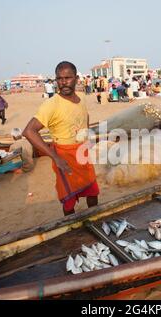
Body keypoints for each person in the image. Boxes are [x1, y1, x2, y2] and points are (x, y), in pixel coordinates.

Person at [23, 61, 99, 216]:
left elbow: (85, 116)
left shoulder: (81, 98)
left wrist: (87, 138)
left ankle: (95, 218)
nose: (63, 82)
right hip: (64, 156)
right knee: (68, 199)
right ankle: (70, 228)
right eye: (59, 78)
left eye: (68, 78)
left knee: (92, 191)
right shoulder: (51, 105)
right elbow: (29, 131)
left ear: (76, 78)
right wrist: (55, 157)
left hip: (82, 153)